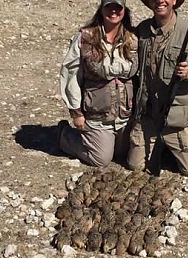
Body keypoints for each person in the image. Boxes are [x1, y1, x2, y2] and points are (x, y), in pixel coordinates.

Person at [127, 0, 188, 176]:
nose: (160, 0)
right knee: (134, 166)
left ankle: (169, 144)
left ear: (174, 1)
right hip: (149, 114)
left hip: (178, 117)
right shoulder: (142, 31)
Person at [59, 0, 138, 167]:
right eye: (109, 6)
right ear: (101, 9)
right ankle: (65, 136)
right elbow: (71, 75)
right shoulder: (85, 38)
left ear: (124, 10)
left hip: (125, 115)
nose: (113, 11)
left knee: (124, 155)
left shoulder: (133, 37)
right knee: (101, 159)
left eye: (118, 7)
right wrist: (76, 112)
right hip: (98, 116)